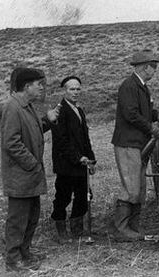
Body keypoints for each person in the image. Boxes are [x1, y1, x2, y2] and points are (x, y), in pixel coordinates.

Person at [1, 68, 59, 272]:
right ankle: (13, 259)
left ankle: (24, 252)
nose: (42, 87)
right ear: (27, 86)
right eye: (38, 84)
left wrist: (47, 122)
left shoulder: (28, 107)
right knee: (18, 218)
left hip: (30, 174)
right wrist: (32, 164)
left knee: (31, 215)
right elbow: (11, 142)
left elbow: (32, 130)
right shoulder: (12, 107)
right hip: (21, 174)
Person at [110, 49, 159, 241]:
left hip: (137, 144)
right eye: (153, 67)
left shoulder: (142, 87)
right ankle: (120, 229)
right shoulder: (129, 86)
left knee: (138, 187)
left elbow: (143, 111)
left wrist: (157, 116)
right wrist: (151, 128)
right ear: (144, 67)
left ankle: (132, 226)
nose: (155, 71)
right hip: (127, 144)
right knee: (131, 187)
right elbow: (131, 114)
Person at [50, 76, 96, 242]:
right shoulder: (59, 111)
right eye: (72, 89)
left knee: (83, 196)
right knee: (63, 197)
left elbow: (85, 138)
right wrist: (78, 158)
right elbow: (62, 141)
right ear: (65, 91)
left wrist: (91, 159)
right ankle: (61, 231)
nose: (76, 92)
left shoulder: (79, 110)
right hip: (66, 164)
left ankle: (77, 230)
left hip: (81, 163)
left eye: (78, 89)